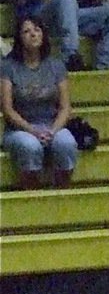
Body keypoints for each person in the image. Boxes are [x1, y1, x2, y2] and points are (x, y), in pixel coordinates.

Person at [1, 14, 77, 189]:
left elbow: (65, 107)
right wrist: (32, 130)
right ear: (19, 38)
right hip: (19, 128)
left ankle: (62, 193)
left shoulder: (56, 66)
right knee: (30, 146)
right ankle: (33, 195)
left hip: (52, 124)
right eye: (27, 31)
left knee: (66, 143)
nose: (33, 34)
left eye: (37, 29)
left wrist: (53, 130)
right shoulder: (8, 67)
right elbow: (8, 109)